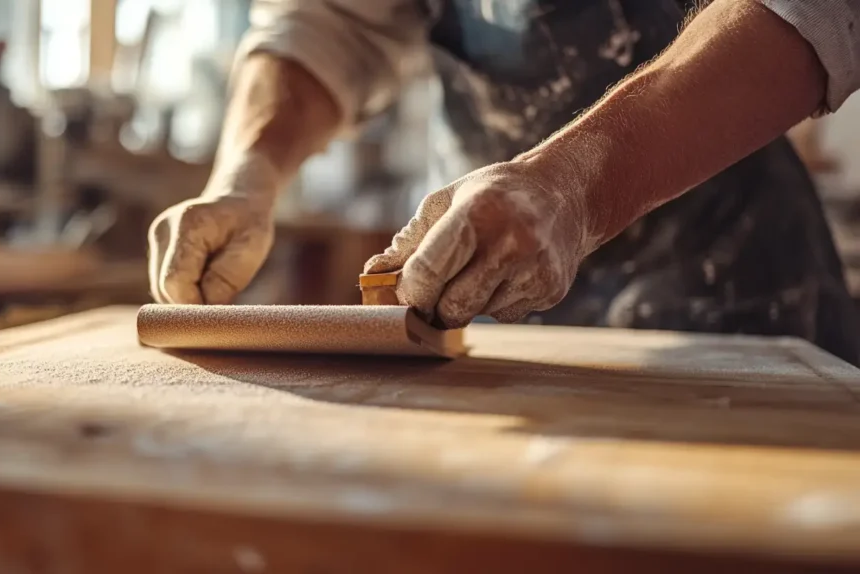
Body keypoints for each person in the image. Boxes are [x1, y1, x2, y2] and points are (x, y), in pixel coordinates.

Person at [148, 0, 860, 365]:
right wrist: (248, 171)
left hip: (734, 296)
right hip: (480, 308)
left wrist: (575, 186)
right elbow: (330, 22)